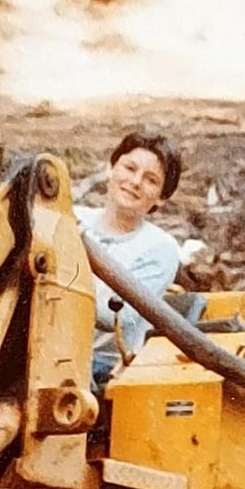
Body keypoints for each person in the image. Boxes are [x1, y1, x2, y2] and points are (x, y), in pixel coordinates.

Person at [76, 132, 183, 387]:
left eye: (150, 180)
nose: (135, 182)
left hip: (101, 366)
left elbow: (116, 316)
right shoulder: (74, 216)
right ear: (110, 169)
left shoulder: (160, 248)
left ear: (160, 197)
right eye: (130, 168)